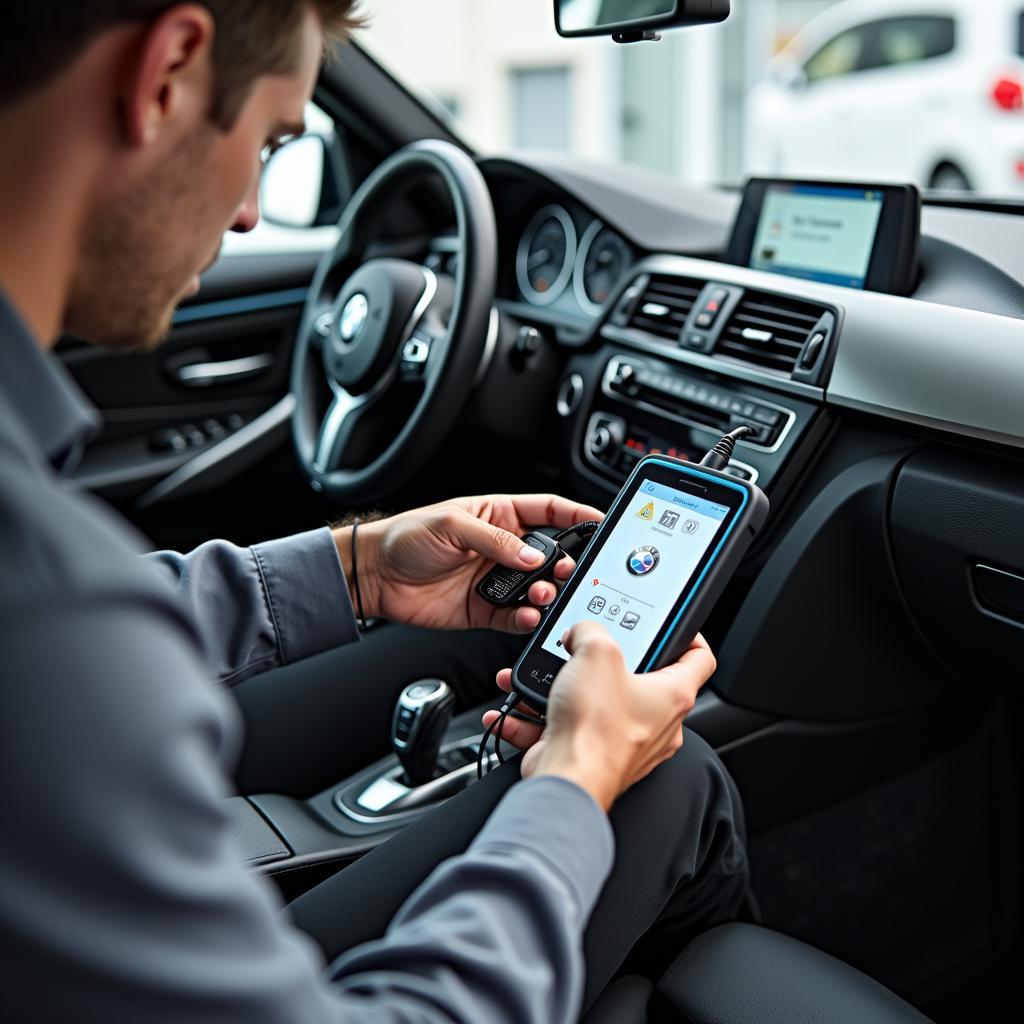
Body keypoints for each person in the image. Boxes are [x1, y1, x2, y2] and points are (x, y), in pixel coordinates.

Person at [0, 3, 752, 1021]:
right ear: (167, 75)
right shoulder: (54, 603)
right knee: (671, 782)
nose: (249, 216)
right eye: (270, 141)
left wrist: (357, 567)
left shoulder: (48, 585)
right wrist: (573, 783)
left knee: (457, 654)